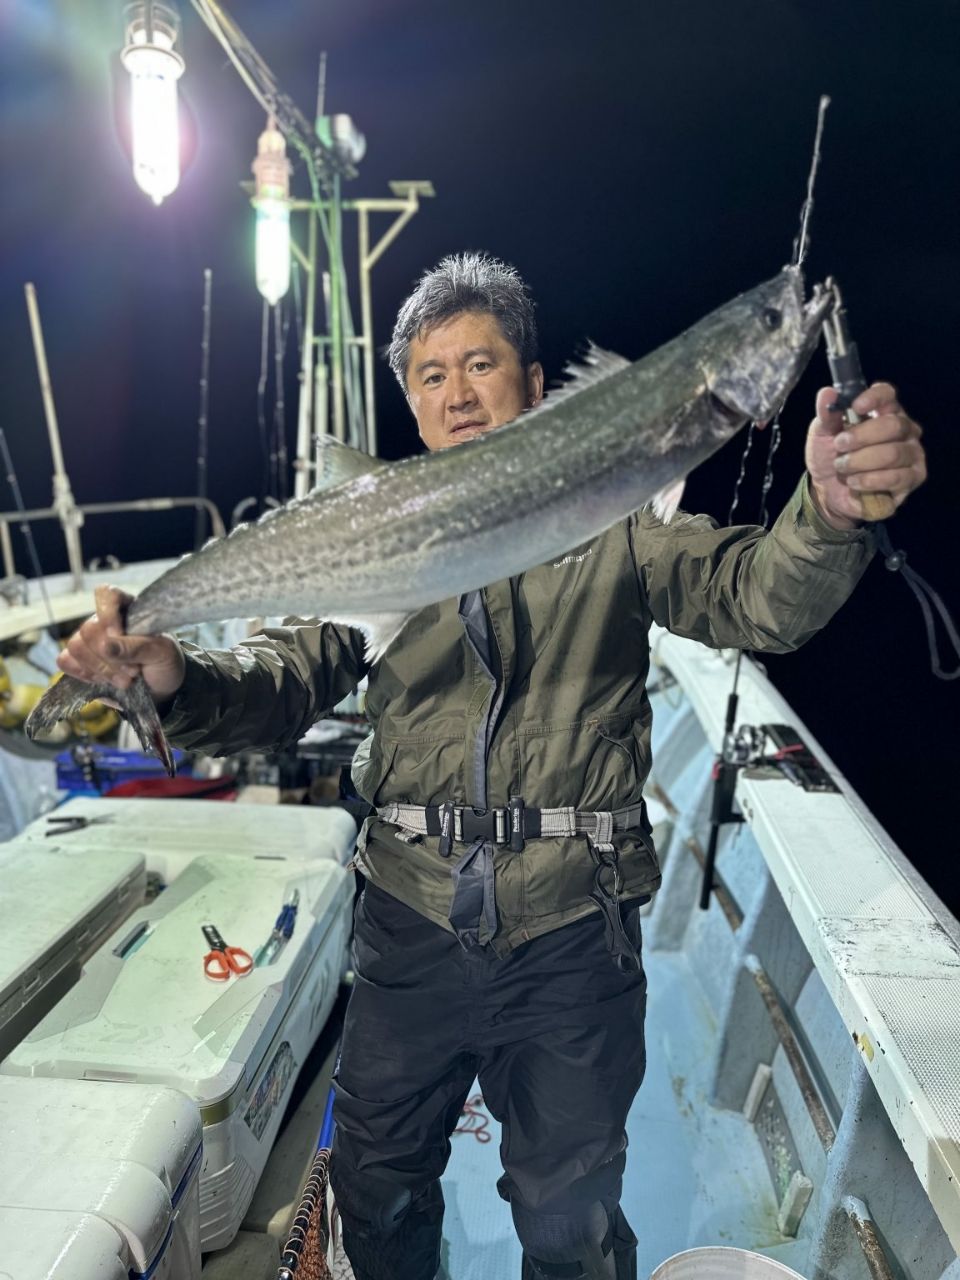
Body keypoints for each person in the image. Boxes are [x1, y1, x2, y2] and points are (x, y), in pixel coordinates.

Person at [59, 254, 927, 1280]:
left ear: (533, 380)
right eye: (432, 375)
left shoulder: (617, 520)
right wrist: (163, 671)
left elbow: (757, 596)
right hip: (408, 927)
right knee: (376, 1187)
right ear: (412, 405)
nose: (459, 391)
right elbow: (279, 679)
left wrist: (828, 516)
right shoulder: (375, 527)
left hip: (571, 933)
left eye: (483, 363)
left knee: (573, 1220)